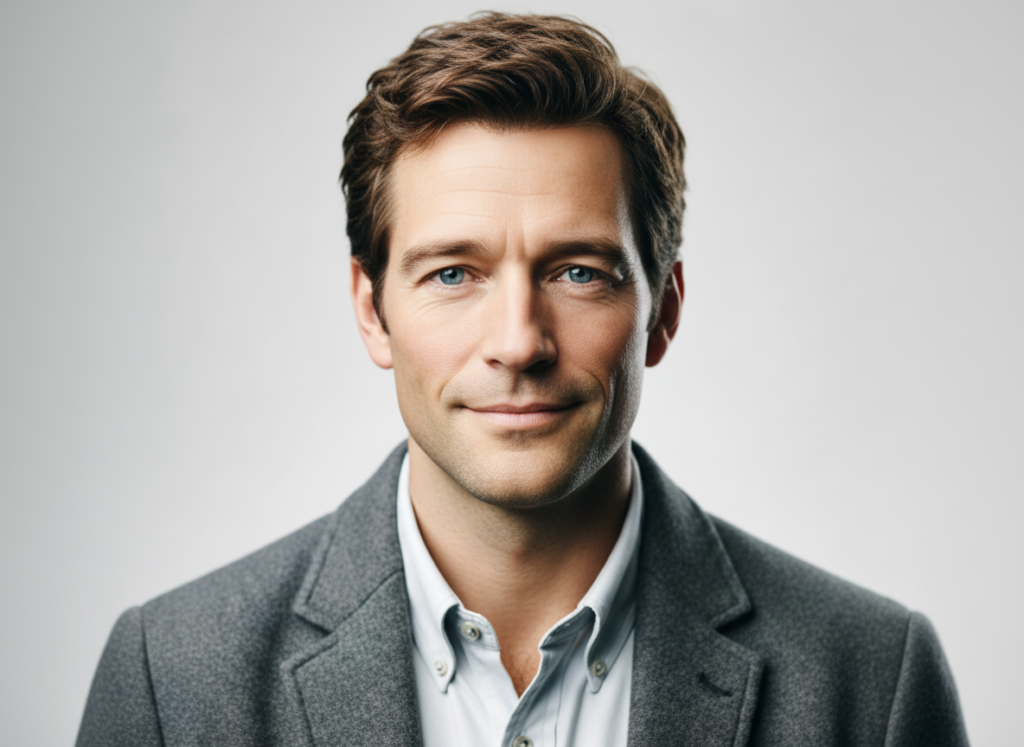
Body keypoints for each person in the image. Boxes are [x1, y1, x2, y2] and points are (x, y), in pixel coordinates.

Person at [76, 12, 969, 747]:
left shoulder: (870, 681)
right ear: (370, 307)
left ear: (663, 308)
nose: (518, 342)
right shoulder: (173, 681)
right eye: (452, 274)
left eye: (577, 270)